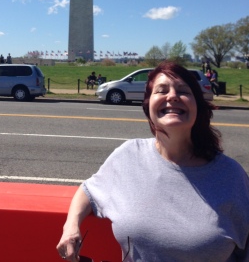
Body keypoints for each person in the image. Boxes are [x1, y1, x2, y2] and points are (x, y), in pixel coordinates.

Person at [57, 61, 249, 261]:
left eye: (183, 91)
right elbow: (89, 190)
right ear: (148, 106)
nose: (172, 96)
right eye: (162, 90)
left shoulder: (231, 176)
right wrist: (70, 227)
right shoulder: (128, 156)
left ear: (198, 107)